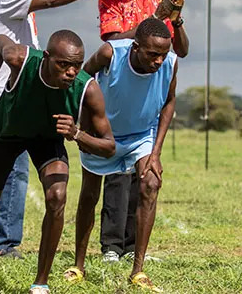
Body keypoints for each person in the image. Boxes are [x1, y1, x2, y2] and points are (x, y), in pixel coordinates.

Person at [0, 0, 126, 260]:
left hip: (31, 94)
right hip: (11, 96)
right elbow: (49, 0)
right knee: (14, 174)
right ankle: (1, 244)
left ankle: (2, 241)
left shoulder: (18, 3)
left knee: (27, 174)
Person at [0, 31, 116, 294]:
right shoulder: (20, 59)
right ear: (47, 58)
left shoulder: (87, 88)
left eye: (76, 66)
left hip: (46, 140)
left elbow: (109, 147)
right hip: (5, 134)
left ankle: (40, 283)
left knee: (57, 197)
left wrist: (77, 134)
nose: (71, 72)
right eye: (63, 64)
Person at [62, 18, 181, 290]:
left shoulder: (170, 64)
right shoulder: (110, 54)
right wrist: (84, 128)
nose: (158, 61)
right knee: (90, 195)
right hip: (105, 135)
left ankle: (137, 270)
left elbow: (170, 101)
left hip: (141, 136)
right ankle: (78, 265)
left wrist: (156, 151)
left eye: (162, 55)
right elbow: (82, 79)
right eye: (152, 54)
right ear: (135, 47)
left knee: (151, 184)